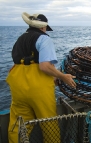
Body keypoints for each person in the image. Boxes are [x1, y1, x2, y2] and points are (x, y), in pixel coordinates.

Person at [6, 12, 76, 143]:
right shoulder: (44, 39)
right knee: (49, 122)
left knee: (19, 124)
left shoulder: (20, 39)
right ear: (43, 27)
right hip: (38, 88)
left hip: (17, 86)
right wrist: (63, 76)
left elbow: (17, 64)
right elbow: (44, 66)